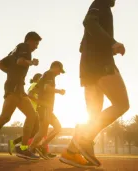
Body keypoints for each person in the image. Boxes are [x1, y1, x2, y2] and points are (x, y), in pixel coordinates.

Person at [60, 0, 129, 168]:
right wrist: (111, 43)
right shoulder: (100, 3)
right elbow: (89, 22)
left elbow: (87, 36)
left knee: (94, 113)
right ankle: (85, 139)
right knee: (121, 104)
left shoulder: (101, 6)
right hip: (99, 64)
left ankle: (70, 152)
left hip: (89, 67)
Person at [0, 32, 42, 163]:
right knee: (5, 117)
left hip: (18, 88)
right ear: (29, 40)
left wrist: (11, 73)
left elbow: (0, 64)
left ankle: (23, 147)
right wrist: (31, 62)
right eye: (36, 43)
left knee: (32, 115)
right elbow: (20, 61)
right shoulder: (25, 47)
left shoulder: (14, 50)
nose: (36, 47)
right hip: (14, 88)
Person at [8, 73, 56, 159]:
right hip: (35, 111)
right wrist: (39, 102)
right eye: (41, 78)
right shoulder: (34, 85)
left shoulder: (34, 85)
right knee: (38, 131)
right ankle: (28, 148)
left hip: (35, 111)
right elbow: (30, 95)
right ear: (38, 79)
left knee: (34, 132)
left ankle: (19, 144)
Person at [28, 61, 65, 160]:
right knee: (43, 131)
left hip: (46, 108)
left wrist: (39, 101)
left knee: (57, 128)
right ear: (55, 67)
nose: (59, 73)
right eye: (59, 71)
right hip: (45, 108)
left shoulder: (44, 76)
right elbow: (47, 88)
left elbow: (31, 93)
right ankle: (30, 149)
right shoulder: (49, 75)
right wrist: (59, 91)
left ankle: (42, 147)